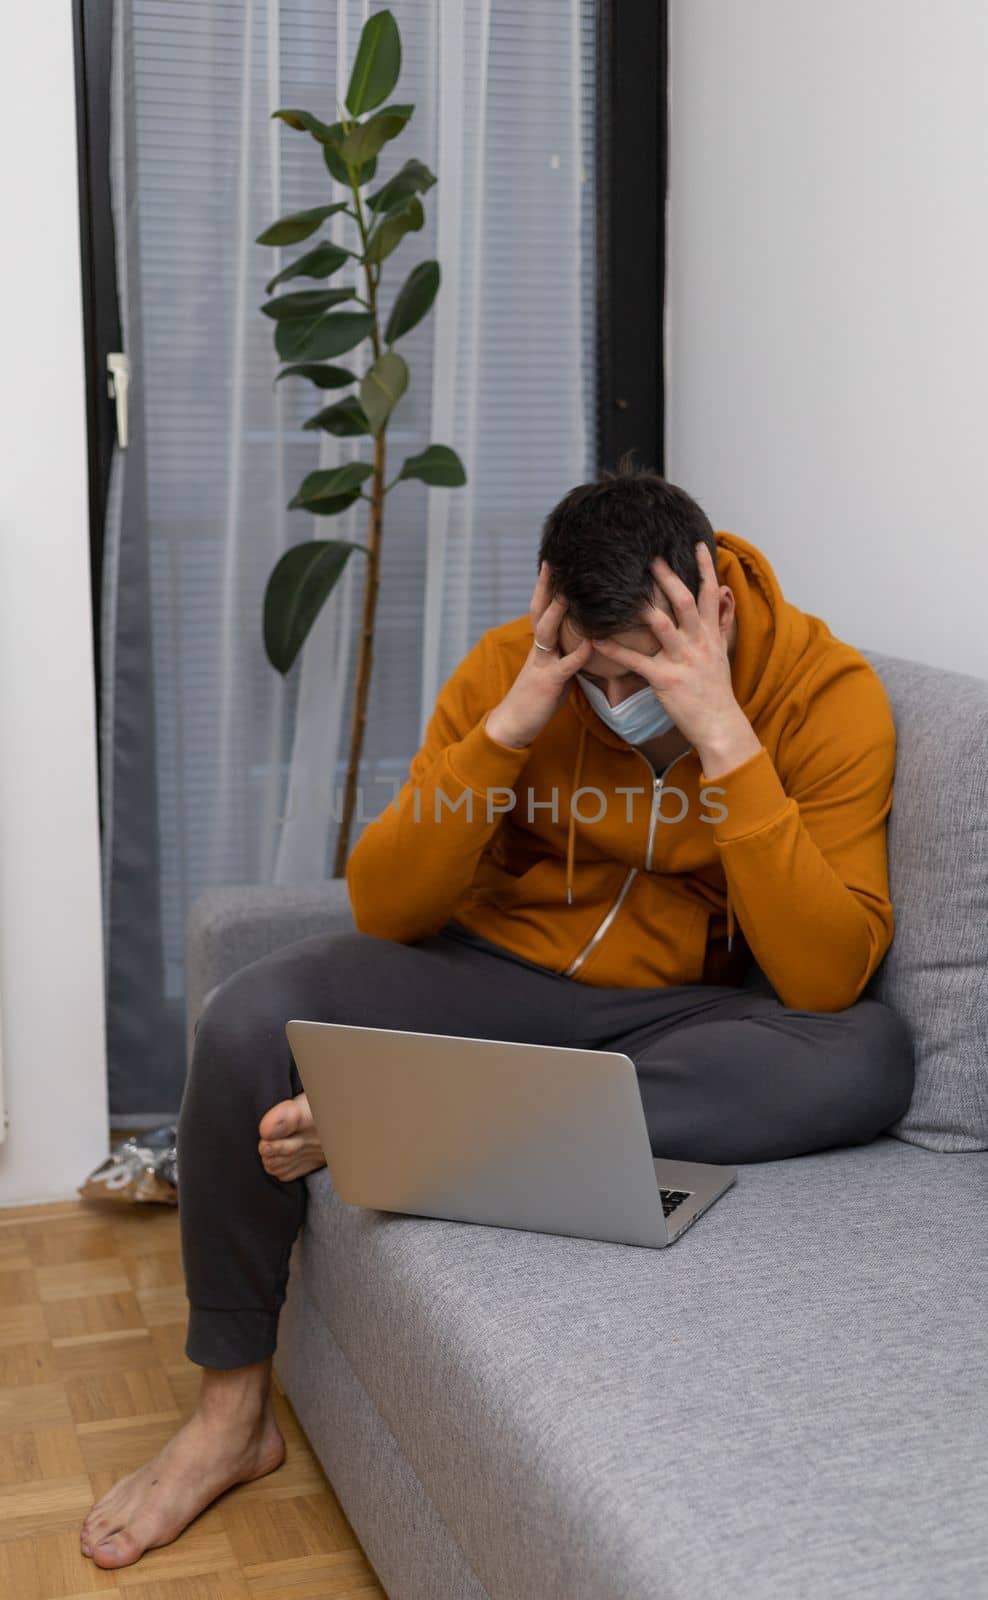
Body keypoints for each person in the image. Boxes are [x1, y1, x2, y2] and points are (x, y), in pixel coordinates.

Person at [79, 458, 914, 1568]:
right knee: (245, 1021)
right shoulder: (512, 673)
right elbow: (384, 904)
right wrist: (514, 722)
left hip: (676, 1016)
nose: (618, 702)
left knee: (865, 1054)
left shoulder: (823, 694)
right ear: (551, 611)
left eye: (644, 672)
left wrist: (721, 732)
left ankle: (424, 1126)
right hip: (485, 977)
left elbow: (824, 978)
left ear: (710, 610)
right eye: (595, 673)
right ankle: (231, 1419)